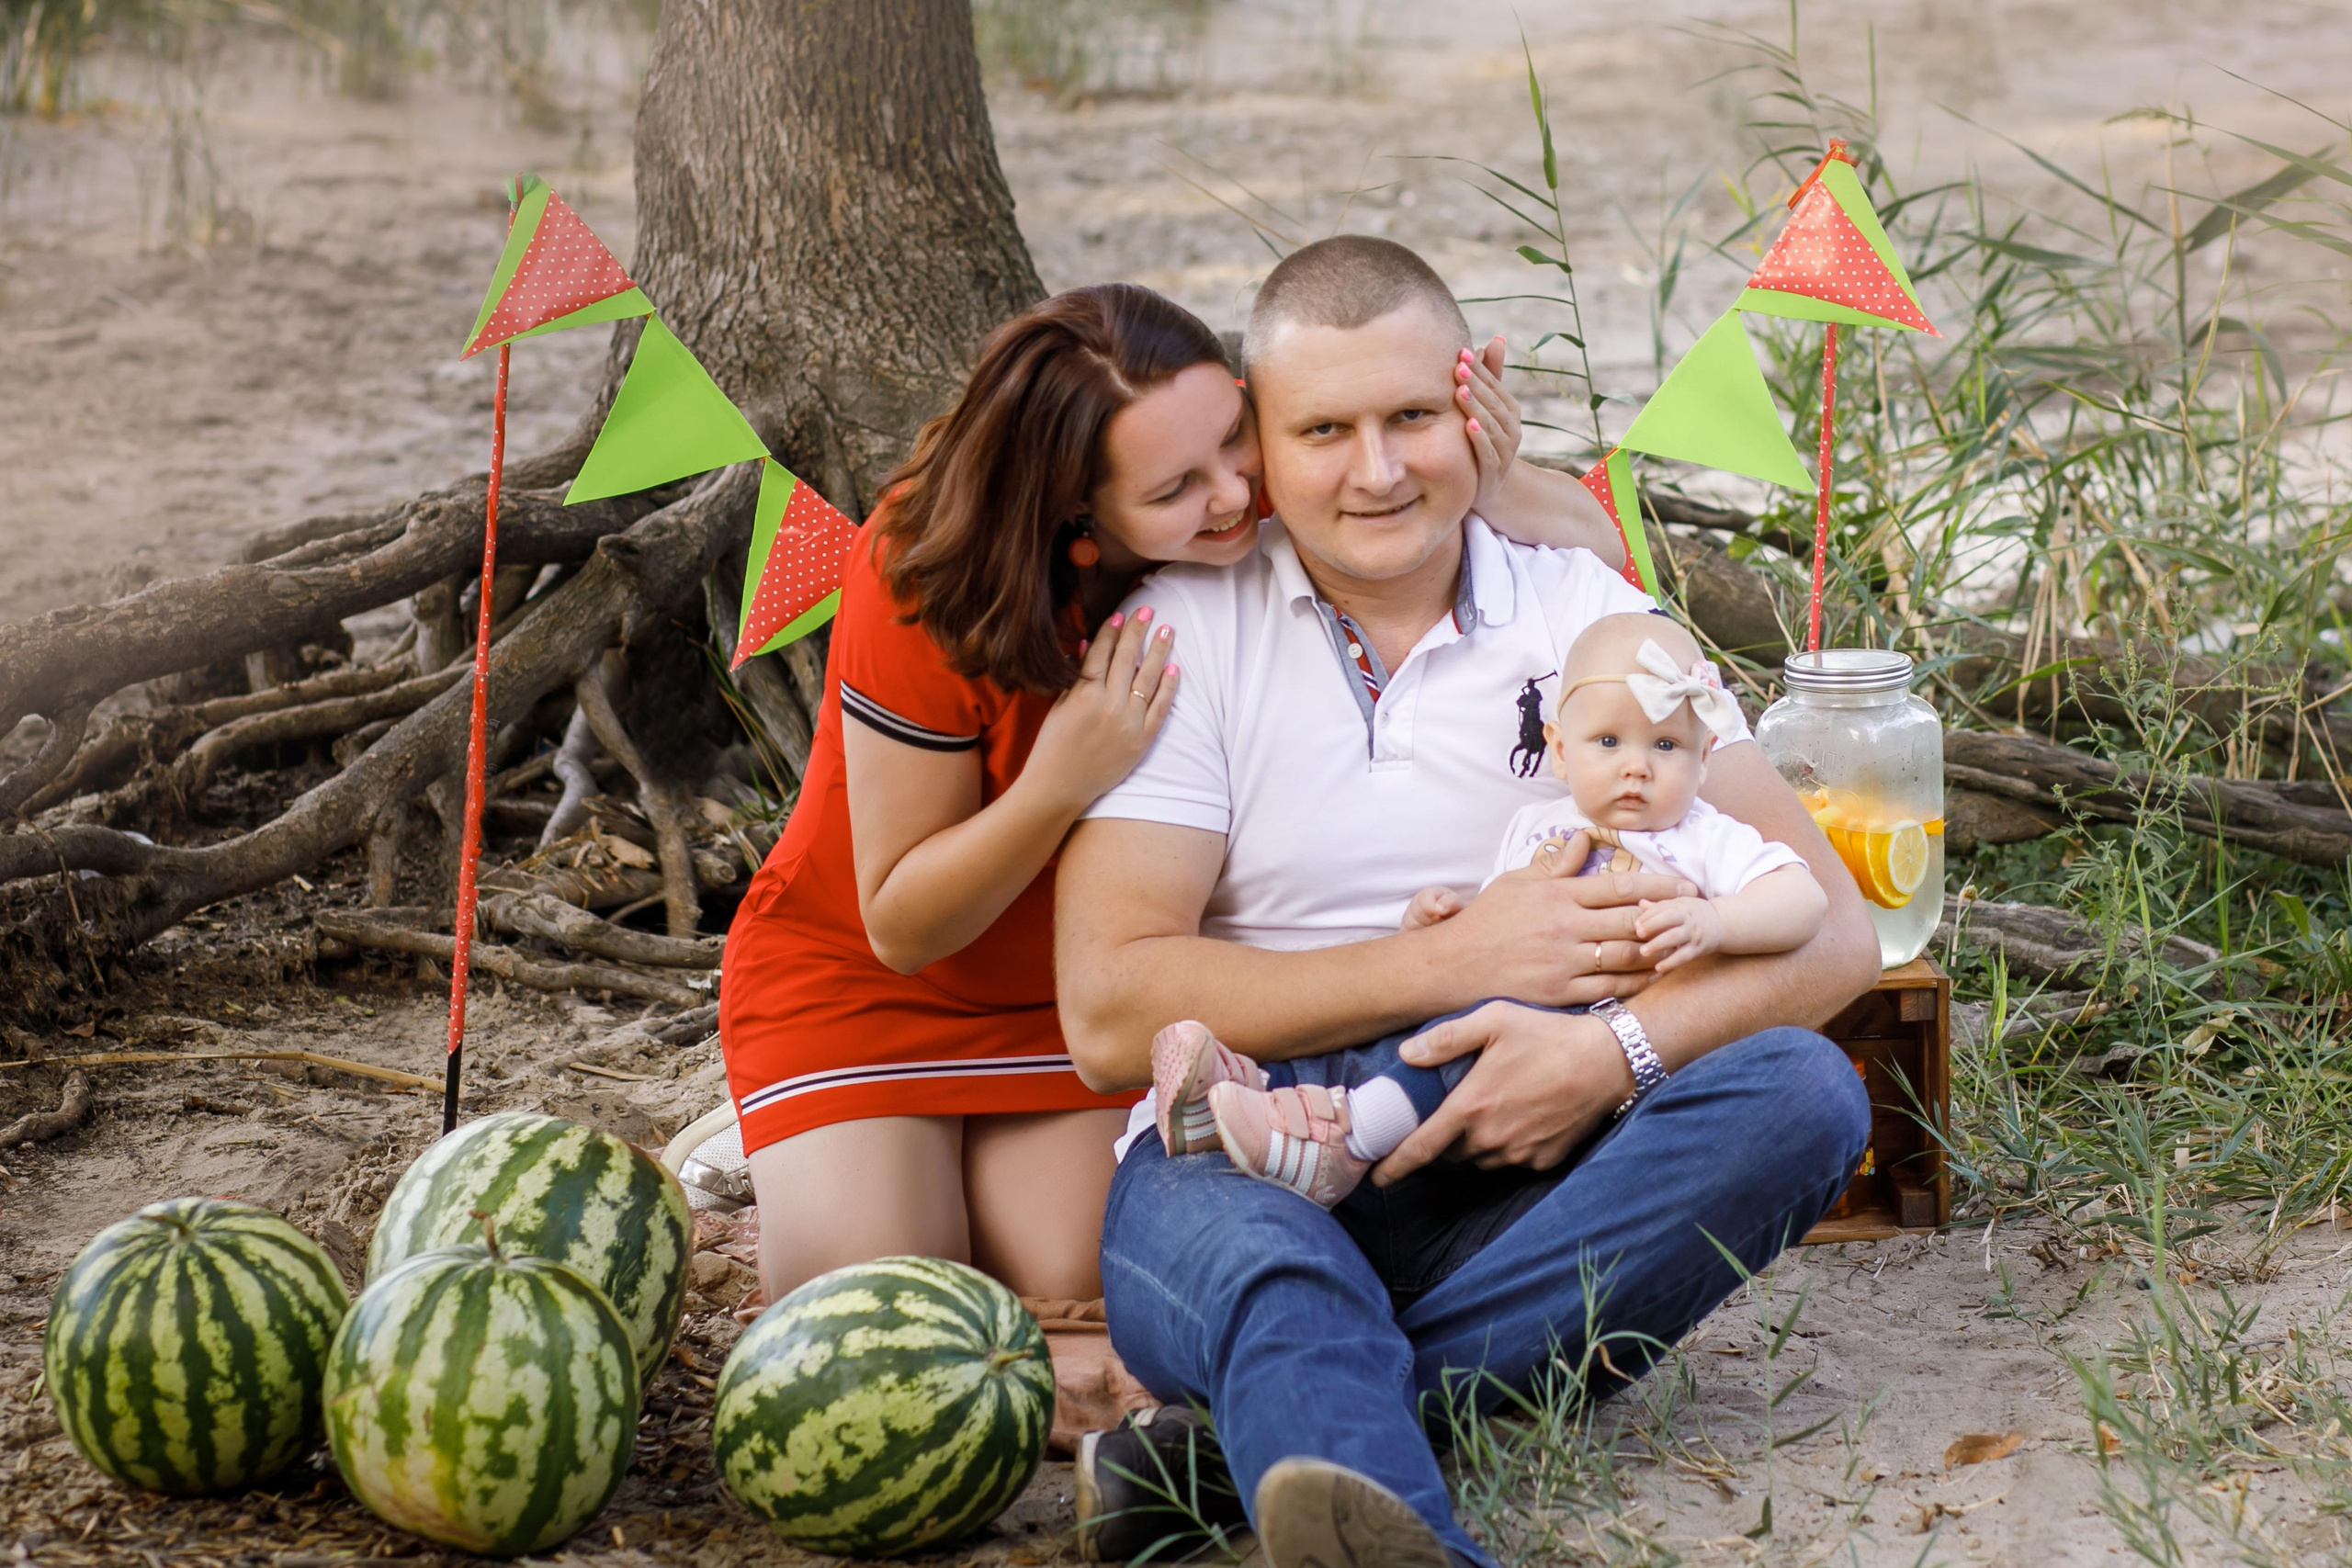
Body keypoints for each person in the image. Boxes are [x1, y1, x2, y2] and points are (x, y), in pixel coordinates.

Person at [1054, 235, 1881, 1568]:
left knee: (1804, 1093)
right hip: (1243, 1147)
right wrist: (1457, 957)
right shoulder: (1182, 634)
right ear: (1261, 444)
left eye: (1410, 418)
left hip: (1532, 1148)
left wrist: (1607, 1051)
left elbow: (1837, 925)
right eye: (1324, 429)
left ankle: (1266, 1432)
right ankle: (1355, 1460)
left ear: (1470, 404)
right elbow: (1107, 1008)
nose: (1376, 470)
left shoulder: (1586, 617)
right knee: (1274, 1270)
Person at [716, 281, 1623, 1320]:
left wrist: (1483, 475)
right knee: (887, 1315)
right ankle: (803, 1154)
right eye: (1175, 489)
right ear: (1079, 511)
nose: (1235, 495)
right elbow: (902, 925)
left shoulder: (1250, 484)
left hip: (1075, 1003)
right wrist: (1061, 779)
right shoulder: (928, 571)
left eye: (1234, 440)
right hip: (868, 987)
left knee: (1080, 1298)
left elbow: (1594, 545)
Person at [1160, 612, 1830, 1208]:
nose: (1637, 768)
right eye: (1608, 743)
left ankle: (1347, 1139)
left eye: (1665, 746)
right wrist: (1446, 924)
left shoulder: (1702, 837)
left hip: (1582, 1040)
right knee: (1414, 1033)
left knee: (1462, 1041)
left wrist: (1718, 923)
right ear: (1560, 748)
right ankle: (1245, 1101)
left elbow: (1803, 898)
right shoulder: (1536, 826)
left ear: (1705, 755)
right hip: (1504, 1005)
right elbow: (1499, 931)